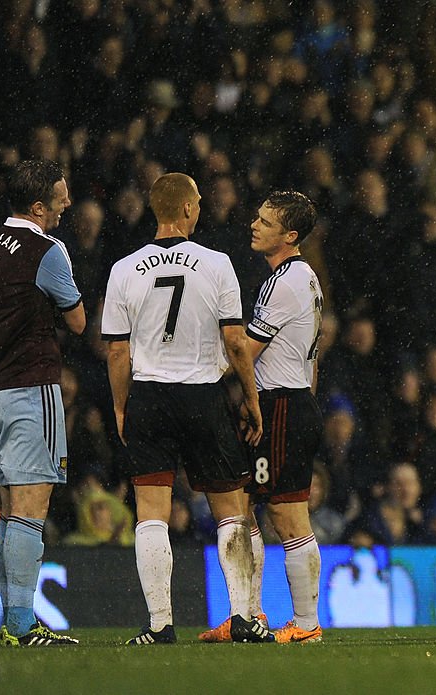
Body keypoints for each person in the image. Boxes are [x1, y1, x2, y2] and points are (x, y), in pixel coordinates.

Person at [101, 172, 271, 645]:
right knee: (230, 511)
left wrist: (121, 407)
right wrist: (251, 399)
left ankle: (159, 625)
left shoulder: (123, 269)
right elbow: (235, 342)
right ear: (189, 210)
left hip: (150, 395)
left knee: (151, 513)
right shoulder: (217, 264)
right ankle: (242, 617)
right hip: (203, 396)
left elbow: (116, 351)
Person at [201, 190, 326, 644]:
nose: (254, 225)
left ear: (289, 236)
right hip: (291, 401)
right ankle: (248, 618)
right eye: (257, 217)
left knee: (288, 516)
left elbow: (247, 352)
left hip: (281, 405)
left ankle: (308, 624)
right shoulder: (304, 278)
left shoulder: (286, 282)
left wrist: (195, 368)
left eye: (266, 222)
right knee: (249, 506)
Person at [0, 159, 82, 646]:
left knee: (11, 510)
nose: (67, 203)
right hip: (30, 388)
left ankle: (13, 620)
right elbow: (77, 322)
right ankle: (20, 623)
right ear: (38, 206)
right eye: (60, 197)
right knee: (30, 511)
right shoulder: (46, 250)